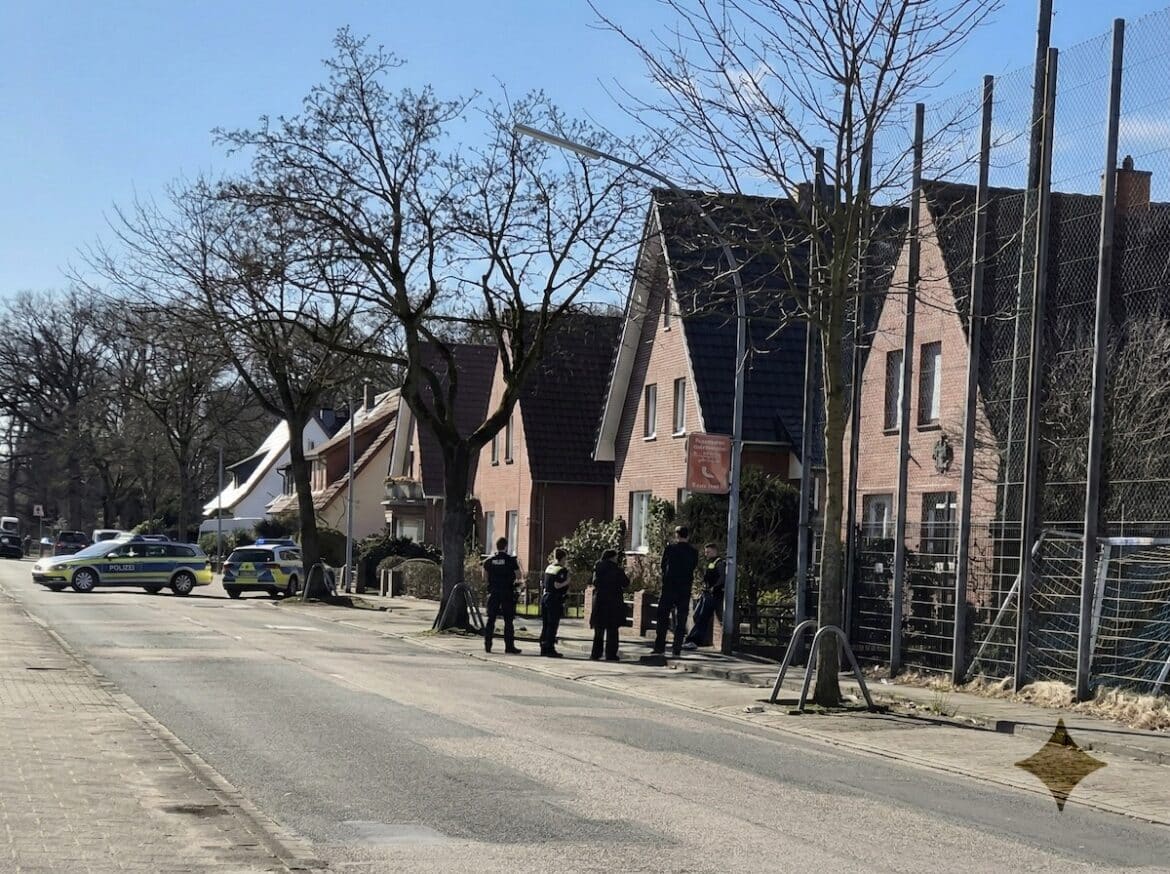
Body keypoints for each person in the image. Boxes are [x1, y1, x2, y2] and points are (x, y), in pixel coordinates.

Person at [652, 526, 700, 657]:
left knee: (662, 617)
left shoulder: (670, 549)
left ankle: (659, 647)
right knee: (681, 619)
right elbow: (693, 567)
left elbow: (663, 566)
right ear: (688, 536)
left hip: (669, 587)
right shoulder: (693, 552)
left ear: (676, 535)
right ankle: (677, 648)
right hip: (684, 588)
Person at [483, 537, 522, 655]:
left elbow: (484, 578)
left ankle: (488, 645)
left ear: (497, 546)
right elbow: (518, 575)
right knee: (508, 620)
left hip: (493, 592)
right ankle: (509, 647)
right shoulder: (510, 560)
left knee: (491, 619)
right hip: (507, 592)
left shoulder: (489, 561)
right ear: (505, 547)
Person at [683, 544, 726, 650]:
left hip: (713, 595)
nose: (706, 554)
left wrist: (714, 588)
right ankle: (694, 640)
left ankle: (693, 641)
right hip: (706, 593)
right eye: (706, 552)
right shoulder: (711, 562)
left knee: (703, 617)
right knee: (696, 615)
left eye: (708, 552)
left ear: (715, 551)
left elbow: (722, 578)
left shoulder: (719, 563)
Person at [590, 549, 629, 661]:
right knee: (612, 629)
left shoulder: (598, 567)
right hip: (613, 602)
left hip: (600, 600)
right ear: (612, 557)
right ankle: (611, 654)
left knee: (599, 629)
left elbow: (594, 582)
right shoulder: (616, 569)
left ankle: (596, 653)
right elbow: (626, 583)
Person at [539, 548, 570, 658]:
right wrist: (567, 582)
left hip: (545, 597)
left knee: (546, 624)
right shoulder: (561, 570)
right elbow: (557, 585)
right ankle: (550, 648)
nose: (565, 561)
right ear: (562, 558)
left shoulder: (549, 568)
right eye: (565, 559)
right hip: (554, 600)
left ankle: (543, 647)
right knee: (552, 625)